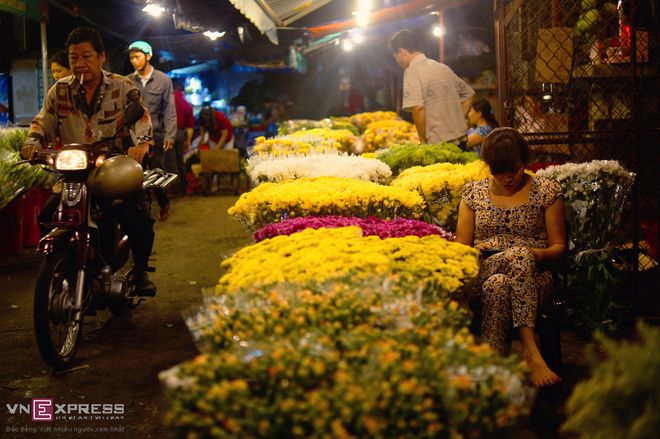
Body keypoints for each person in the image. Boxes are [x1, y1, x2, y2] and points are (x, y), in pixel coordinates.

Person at [22, 27, 157, 295]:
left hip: (114, 170)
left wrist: (142, 144)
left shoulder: (123, 86)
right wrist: (32, 143)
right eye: (74, 58)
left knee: (137, 218)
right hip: (75, 174)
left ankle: (140, 271)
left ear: (101, 57)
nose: (80, 63)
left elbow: (142, 120)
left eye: (86, 56)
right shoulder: (58, 91)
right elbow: (42, 123)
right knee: (48, 215)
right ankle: (65, 267)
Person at [455, 127, 566, 387]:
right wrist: (498, 254)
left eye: (513, 170)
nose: (507, 178)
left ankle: (492, 376)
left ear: (525, 162)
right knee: (504, 270)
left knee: (500, 286)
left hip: (536, 275)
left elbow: (559, 247)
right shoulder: (473, 193)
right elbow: (461, 247)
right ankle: (530, 347)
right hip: (484, 268)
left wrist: (531, 255)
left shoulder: (546, 191)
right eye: (498, 172)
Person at [390, 29, 474, 147]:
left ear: (401, 52)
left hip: (439, 145)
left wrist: (422, 140)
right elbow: (469, 95)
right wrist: (459, 120)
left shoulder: (412, 71)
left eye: (395, 57)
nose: (397, 62)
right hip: (462, 139)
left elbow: (418, 109)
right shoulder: (442, 67)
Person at [128, 40, 176, 220]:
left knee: (157, 173)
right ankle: (142, 209)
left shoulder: (163, 80)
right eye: (131, 57)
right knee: (135, 174)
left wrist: (170, 134)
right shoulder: (127, 81)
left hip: (156, 134)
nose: (134, 60)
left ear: (148, 56)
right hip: (133, 137)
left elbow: (169, 110)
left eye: (137, 57)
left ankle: (163, 203)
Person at [167, 79, 193, 195]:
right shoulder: (187, 104)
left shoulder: (168, 100)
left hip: (168, 133)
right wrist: (188, 140)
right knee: (180, 161)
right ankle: (183, 188)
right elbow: (191, 126)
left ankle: (175, 189)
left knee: (171, 162)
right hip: (181, 133)